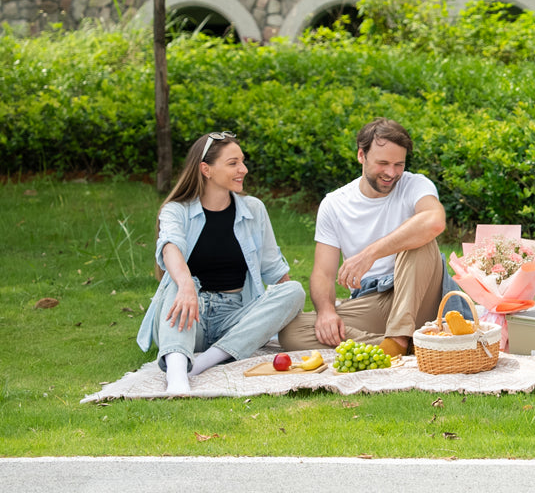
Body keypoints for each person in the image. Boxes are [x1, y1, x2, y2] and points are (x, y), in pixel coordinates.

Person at [137, 131, 305, 395]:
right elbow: (170, 248)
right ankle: (178, 374)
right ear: (206, 169)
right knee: (179, 282)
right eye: (233, 163)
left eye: (242, 162)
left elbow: (274, 269)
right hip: (189, 314)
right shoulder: (177, 210)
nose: (244, 169)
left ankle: (202, 362)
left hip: (235, 316)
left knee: (295, 290)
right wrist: (185, 286)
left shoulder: (254, 209)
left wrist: (289, 308)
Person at [279, 118, 447, 357]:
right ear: (361, 155)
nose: (391, 173)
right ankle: (405, 344)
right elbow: (323, 274)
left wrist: (370, 254)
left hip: (420, 295)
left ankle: (398, 337)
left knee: (420, 238)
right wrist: (326, 311)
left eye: (399, 164)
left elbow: (434, 220)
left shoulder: (415, 185)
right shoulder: (335, 204)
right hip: (372, 302)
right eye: (383, 163)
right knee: (292, 331)